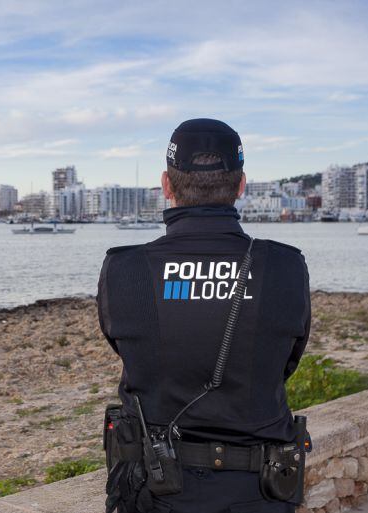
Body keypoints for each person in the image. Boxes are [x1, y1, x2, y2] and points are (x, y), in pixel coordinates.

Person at [98, 119, 311, 513]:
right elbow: (285, 362)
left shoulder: (123, 270)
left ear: (166, 185)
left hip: (157, 491)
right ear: (241, 185)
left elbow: (125, 349)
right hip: (261, 492)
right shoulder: (285, 267)